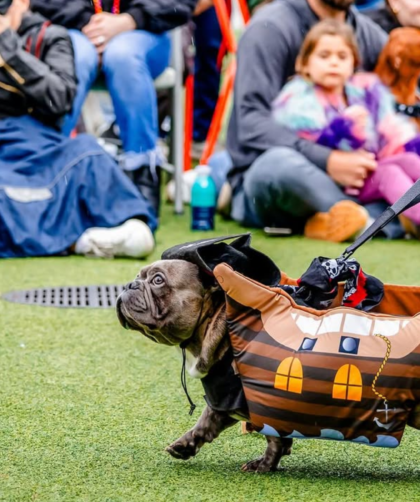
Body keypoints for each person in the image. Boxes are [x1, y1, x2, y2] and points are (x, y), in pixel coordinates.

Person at [222, 0, 408, 242]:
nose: (334, 61)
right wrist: (327, 160)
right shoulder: (270, 27)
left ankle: (343, 222)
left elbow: (399, 108)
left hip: (361, 177)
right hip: (285, 177)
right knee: (277, 165)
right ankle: (382, 222)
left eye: (342, 56)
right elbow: (251, 122)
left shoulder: (369, 34)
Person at [0, 0, 156, 259]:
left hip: (40, 148)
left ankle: (104, 231)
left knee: (88, 153)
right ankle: (78, 240)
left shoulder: (51, 36)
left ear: (23, 2)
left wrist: (10, 51)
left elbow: (58, 101)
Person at [30, 0, 199, 215]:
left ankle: (141, 174)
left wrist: (130, 20)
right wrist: (92, 26)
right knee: (75, 57)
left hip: (145, 31)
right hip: (77, 30)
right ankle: (46, 171)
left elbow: (179, 4)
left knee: (123, 56)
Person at [272, 19, 420, 239]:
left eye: (342, 57)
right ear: (304, 64)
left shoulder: (363, 92)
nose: (334, 63)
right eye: (324, 56)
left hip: (366, 170)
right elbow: (306, 142)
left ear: (353, 63)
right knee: (388, 174)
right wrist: (340, 131)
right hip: (334, 179)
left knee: (408, 160)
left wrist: (406, 142)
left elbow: (388, 130)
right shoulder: (299, 100)